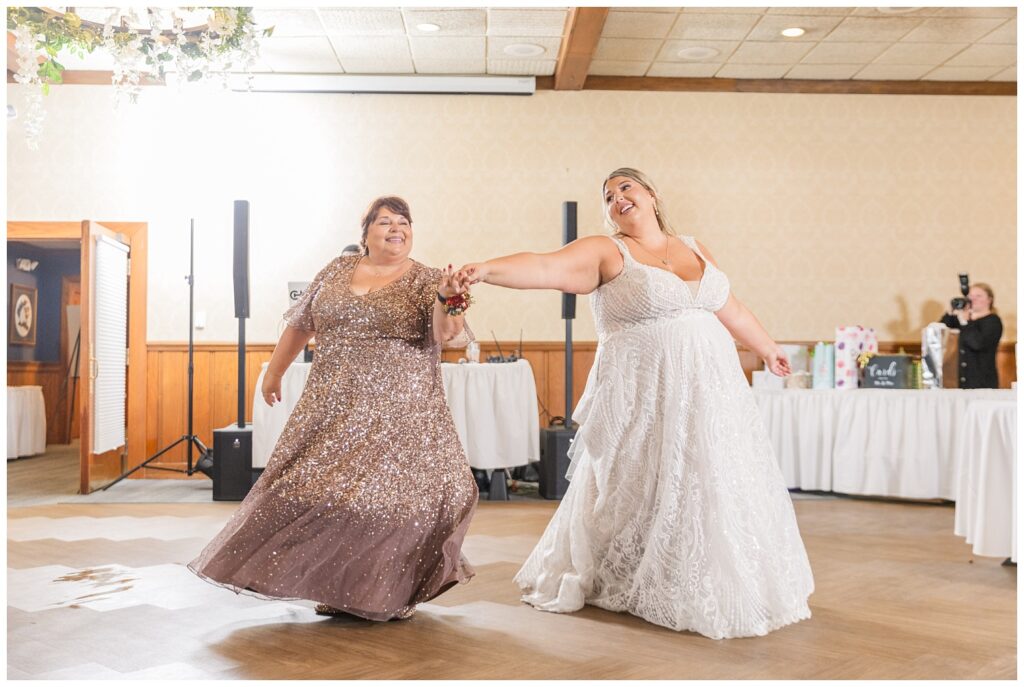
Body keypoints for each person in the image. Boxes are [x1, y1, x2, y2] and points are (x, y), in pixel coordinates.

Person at [456, 168, 813, 639]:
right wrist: (485, 270)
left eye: (626, 187)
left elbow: (731, 309)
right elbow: (545, 266)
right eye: (608, 195)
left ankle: (713, 575)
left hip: (712, 394)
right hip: (645, 395)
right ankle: (635, 572)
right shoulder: (608, 250)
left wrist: (768, 348)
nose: (617, 198)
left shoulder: (695, 246)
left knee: (709, 476)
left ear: (651, 195)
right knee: (643, 483)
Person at [189, 195, 479, 620]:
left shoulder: (428, 278)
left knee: (392, 503)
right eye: (384, 222)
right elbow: (301, 323)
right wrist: (273, 372)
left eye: (403, 222)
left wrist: (450, 297)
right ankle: (340, 585)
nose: (396, 228)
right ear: (365, 234)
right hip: (331, 405)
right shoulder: (337, 269)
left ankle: (387, 593)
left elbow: (447, 334)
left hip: (401, 410)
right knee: (316, 494)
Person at [938, 283, 1003, 389]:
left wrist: (964, 321)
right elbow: (941, 330)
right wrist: (950, 312)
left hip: (982, 381)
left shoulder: (993, 321)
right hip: (957, 381)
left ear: (989, 300)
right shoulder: (963, 320)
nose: (973, 299)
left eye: (978, 296)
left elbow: (977, 343)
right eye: (970, 296)